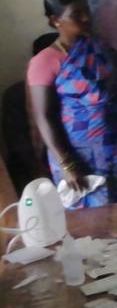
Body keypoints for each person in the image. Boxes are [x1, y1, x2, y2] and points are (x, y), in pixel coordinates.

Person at [26, 0, 117, 208]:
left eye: (86, 11)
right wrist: (67, 164)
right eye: (77, 14)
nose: (86, 18)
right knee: (94, 223)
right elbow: (44, 117)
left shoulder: (105, 51)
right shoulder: (45, 61)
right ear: (55, 20)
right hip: (82, 160)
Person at [3, 32, 58, 191]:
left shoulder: (72, 90)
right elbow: (19, 146)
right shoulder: (15, 96)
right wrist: (43, 175)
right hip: (34, 171)